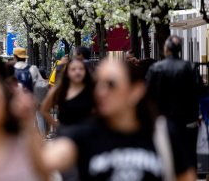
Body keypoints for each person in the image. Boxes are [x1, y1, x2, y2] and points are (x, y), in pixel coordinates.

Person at [41, 60, 196, 181]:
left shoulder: (163, 133)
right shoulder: (86, 134)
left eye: (111, 84)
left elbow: (186, 177)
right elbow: (46, 161)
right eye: (98, 84)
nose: (101, 91)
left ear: (136, 90)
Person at [146, 35, 206, 168]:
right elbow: (201, 91)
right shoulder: (190, 67)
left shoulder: (155, 68)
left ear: (166, 49)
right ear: (179, 50)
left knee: (164, 156)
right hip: (187, 120)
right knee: (188, 156)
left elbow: (147, 93)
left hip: (162, 120)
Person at [41, 58, 95, 132]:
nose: (77, 72)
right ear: (67, 73)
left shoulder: (91, 90)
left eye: (81, 69)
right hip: (67, 136)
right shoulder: (60, 89)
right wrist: (57, 127)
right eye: (73, 69)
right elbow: (45, 109)